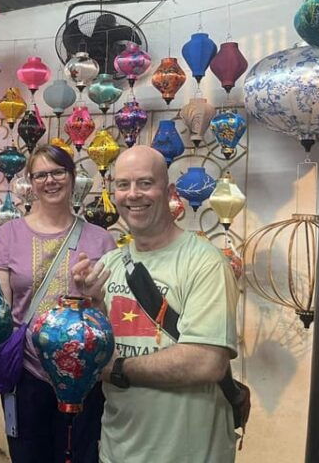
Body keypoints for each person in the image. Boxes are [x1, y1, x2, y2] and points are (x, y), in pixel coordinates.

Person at [73, 145, 239, 463]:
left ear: (169, 191)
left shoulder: (204, 262)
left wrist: (117, 370)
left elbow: (206, 362)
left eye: (145, 183)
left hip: (188, 453)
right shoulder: (110, 262)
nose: (133, 194)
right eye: (123, 185)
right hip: (116, 449)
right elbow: (101, 348)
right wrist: (93, 303)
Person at [0, 144, 116, 463]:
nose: (50, 181)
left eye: (58, 172)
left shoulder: (101, 239)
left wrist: (94, 296)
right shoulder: (8, 235)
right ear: (30, 182)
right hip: (26, 375)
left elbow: (109, 316)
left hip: (83, 375)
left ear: (73, 178)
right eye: (41, 174)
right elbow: (0, 313)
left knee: (80, 456)